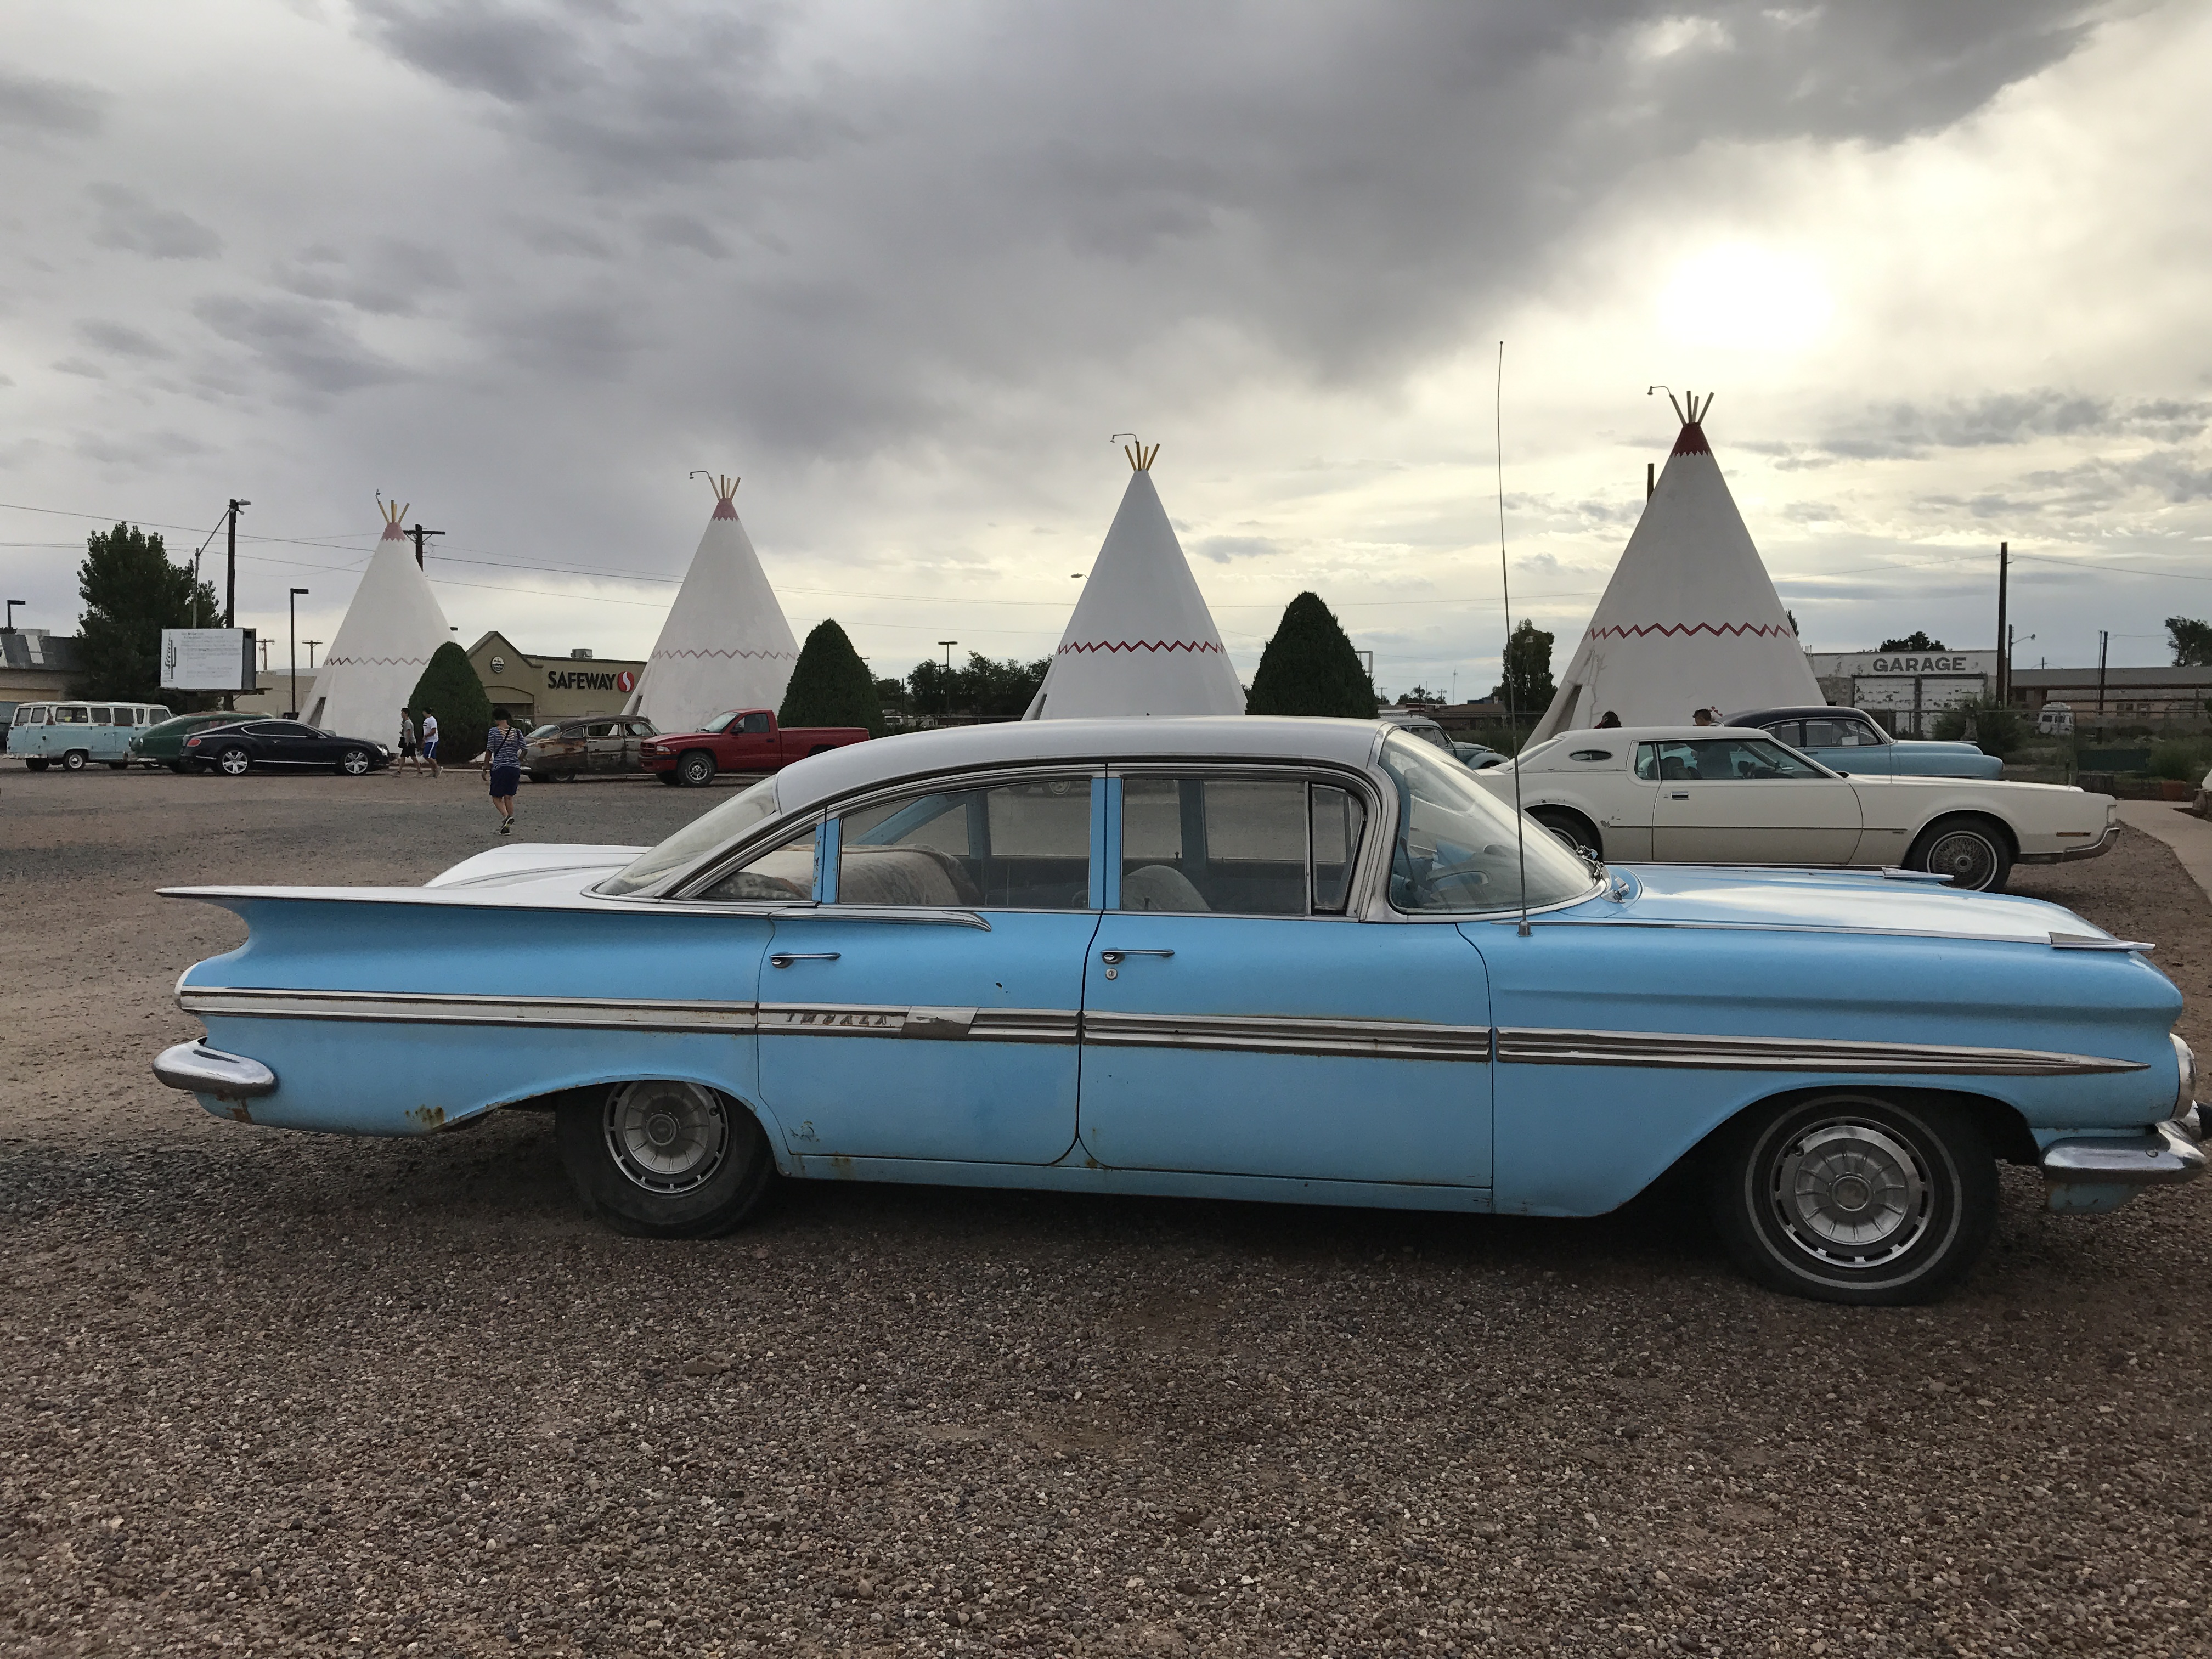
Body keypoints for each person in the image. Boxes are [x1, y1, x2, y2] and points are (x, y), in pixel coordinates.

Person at [482, 708, 524, 834]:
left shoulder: (494, 732)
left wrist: (485, 767)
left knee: (496, 796)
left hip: (500, 767)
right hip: (514, 768)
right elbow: (525, 749)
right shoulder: (517, 732)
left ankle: (506, 817)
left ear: (496, 718)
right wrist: (518, 760)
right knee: (509, 797)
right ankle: (507, 826)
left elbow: (489, 750)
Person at [394, 709, 421, 778]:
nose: (402, 714)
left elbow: (409, 732)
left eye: (403, 713)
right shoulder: (408, 722)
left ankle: (419, 771)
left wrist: (407, 742)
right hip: (410, 742)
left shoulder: (407, 723)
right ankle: (399, 771)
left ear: (406, 714)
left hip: (409, 742)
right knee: (405, 756)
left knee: (412, 757)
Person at [420, 708, 441, 777]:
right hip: (427, 740)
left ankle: (437, 767)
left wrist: (427, 736)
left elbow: (434, 731)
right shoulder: (426, 720)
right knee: (432, 757)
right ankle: (433, 772)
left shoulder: (432, 720)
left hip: (432, 740)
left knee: (426, 755)